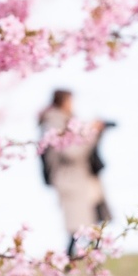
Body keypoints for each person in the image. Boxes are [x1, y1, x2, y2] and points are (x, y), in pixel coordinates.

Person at [39, 89, 108, 257]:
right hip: (70, 181)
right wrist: (91, 134)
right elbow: (71, 152)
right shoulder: (55, 124)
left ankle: (91, 262)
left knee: (89, 223)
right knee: (77, 227)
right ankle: (71, 267)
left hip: (82, 179)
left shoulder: (68, 122)